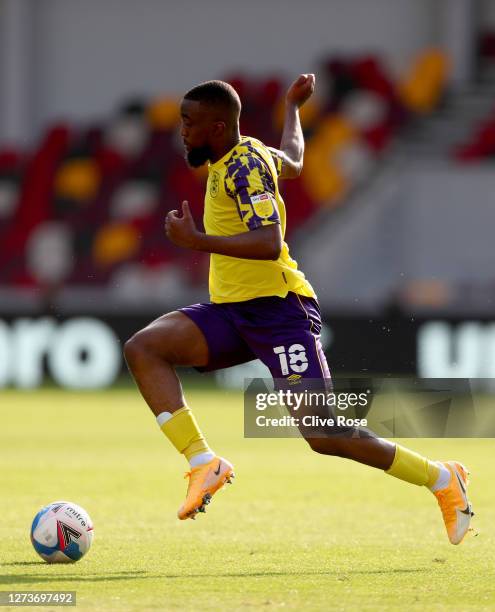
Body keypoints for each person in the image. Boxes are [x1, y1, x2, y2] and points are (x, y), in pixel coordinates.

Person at [124, 75, 473, 544]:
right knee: (144, 348)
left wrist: (196, 241)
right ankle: (204, 463)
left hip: (278, 312)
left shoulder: (243, 166)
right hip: (231, 311)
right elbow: (293, 160)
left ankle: (441, 478)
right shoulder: (247, 155)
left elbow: (270, 243)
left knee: (324, 434)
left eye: (190, 122)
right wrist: (293, 109)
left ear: (219, 126)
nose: (181, 130)